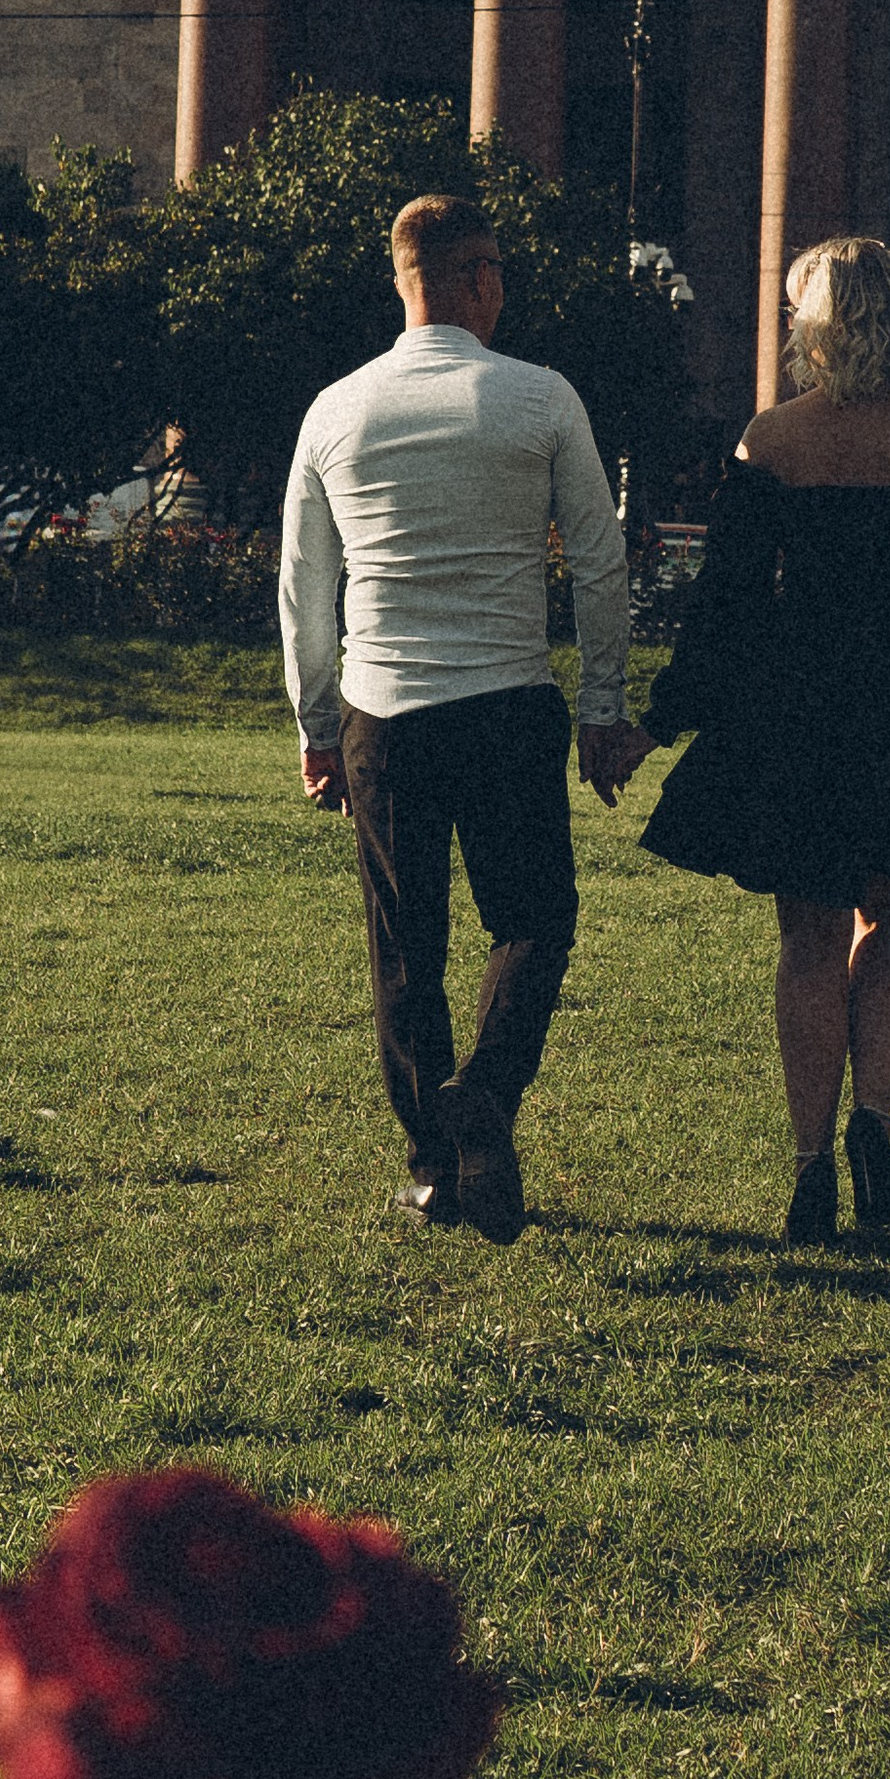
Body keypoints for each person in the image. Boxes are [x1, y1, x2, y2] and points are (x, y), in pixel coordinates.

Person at [629, 234, 890, 1244]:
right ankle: (874, 1120)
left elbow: (726, 608)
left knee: (808, 939)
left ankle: (811, 1165)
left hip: (799, 709)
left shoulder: (773, 440)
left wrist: (659, 720)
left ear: (810, 326)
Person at [280, 192, 646, 1244]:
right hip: (509, 707)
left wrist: (315, 727)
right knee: (533, 921)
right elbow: (600, 562)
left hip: (384, 714)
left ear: (402, 281)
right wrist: (604, 704)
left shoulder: (337, 410)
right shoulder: (540, 398)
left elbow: (306, 589)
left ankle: (435, 1167)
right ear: (480, 278)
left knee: (407, 946)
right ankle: (485, 1094)